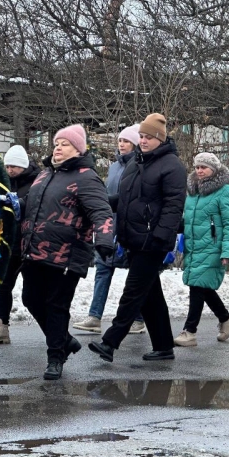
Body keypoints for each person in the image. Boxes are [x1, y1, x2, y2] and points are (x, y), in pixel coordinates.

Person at [89, 113, 186, 363]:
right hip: (133, 239)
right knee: (151, 295)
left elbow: (174, 207)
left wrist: (160, 237)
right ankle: (164, 346)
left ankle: (110, 342)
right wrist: (101, 203)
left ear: (160, 139)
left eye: (148, 137)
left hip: (152, 242)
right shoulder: (136, 163)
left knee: (133, 292)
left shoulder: (172, 166)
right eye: (141, 136)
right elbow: (125, 200)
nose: (143, 141)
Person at [19, 124, 115, 380]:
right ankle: (64, 340)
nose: (58, 148)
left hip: (66, 254)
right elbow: (31, 205)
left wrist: (104, 239)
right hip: (34, 250)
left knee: (56, 306)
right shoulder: (44, 174)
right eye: (56, 144)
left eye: (65, 144)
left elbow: (101, 211)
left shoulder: (86, 177)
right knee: (30, 299)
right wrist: (10, 206)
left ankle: (55, 357)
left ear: (78, 150)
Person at [72, 124, 146, 335]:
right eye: (120, 140)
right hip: (109, 226)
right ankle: (94, 317)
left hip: (130, 228)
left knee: (135, 276)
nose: (121, 144)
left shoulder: (140, 166)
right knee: (103, 269)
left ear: (135, 144)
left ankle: (139, 318)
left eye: (126, 141)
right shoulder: (113, 167)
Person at [173, 152, 229, 347]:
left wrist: (228, 251)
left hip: (213, 248)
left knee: (197, 287)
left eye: (204, 167)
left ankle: (190, 331)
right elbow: (188, 221)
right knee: (202, 286)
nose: (200, 171)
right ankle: (226, 319)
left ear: (214, 169)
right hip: (194, 248)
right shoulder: (193, 192)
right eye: (197, 167)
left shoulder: (224, 191)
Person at [0, 145, 41, 344]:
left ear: (23, 165)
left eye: (14, 167)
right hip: (8, 244)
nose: (10, 170)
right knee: (3, 285)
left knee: (33, 292)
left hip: (29, 244)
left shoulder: (37, 182)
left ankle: (51, 327)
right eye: (7, 166)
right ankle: (1, 328)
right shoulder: (3, 182)